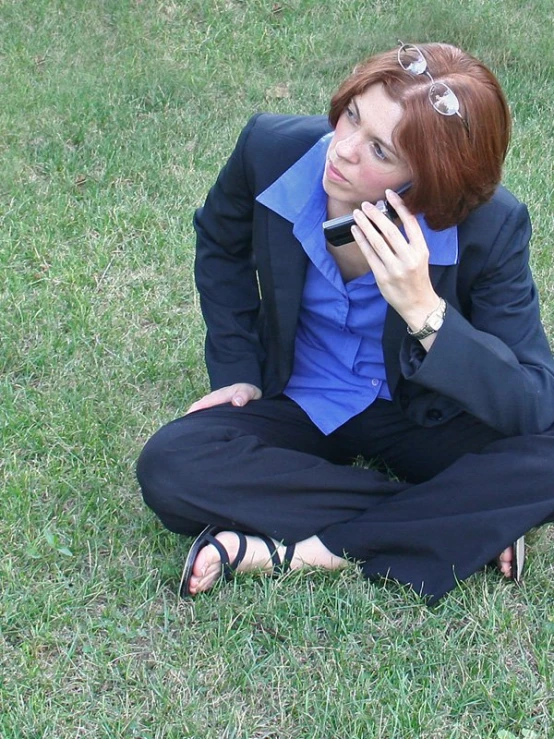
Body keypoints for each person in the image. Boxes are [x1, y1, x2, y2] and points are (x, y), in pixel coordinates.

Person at [136, 42, 554, 604]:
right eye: (353, 114)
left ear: (431, 179)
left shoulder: (492, 227)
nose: (344, 149)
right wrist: (235, 367)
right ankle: (457, 516)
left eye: (380, 150)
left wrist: (424, 312)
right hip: (300, 396)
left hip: (420, 413)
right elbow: (219, 241)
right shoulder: (270, 149)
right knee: (171, 466)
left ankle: (303, 553)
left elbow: (533, 403)